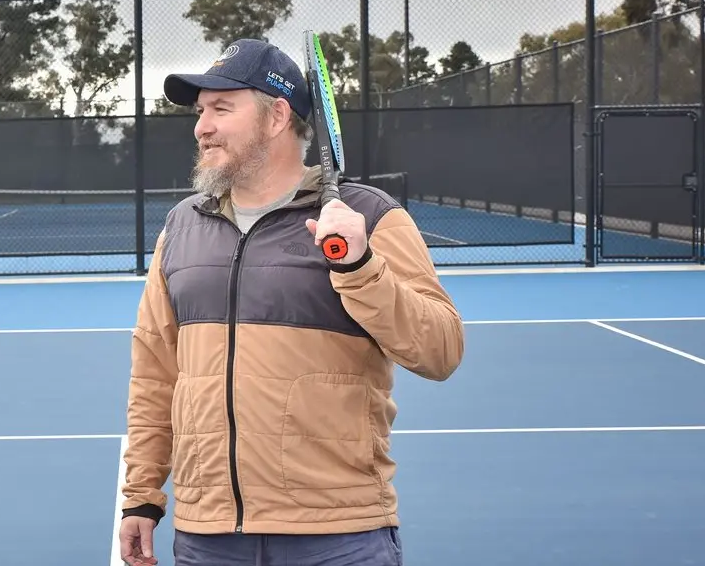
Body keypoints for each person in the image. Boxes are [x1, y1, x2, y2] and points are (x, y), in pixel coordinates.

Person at [116, 38, 465, 566]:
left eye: (220, 108)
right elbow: (155, 373)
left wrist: (359, 267)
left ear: (277, 116)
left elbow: (441, 349)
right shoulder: (182, 225)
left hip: (337, 533)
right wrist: (141, 494)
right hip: (207, 534)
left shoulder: (369, 216)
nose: (201, 126)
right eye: (200, 111)